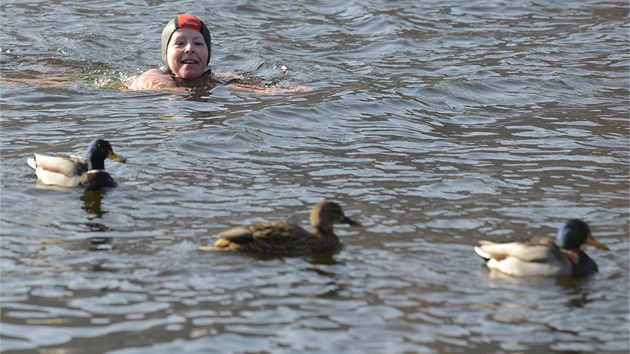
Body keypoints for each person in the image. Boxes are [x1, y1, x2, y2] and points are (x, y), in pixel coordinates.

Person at [128, 14, 310, 93]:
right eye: (180, 43)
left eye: (198, 43)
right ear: (165, 54)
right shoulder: (151, 78)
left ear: (208, 55)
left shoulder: (217, 79)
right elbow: (169, 94)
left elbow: (256, 89)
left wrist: (287, 91)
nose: (189, 48)